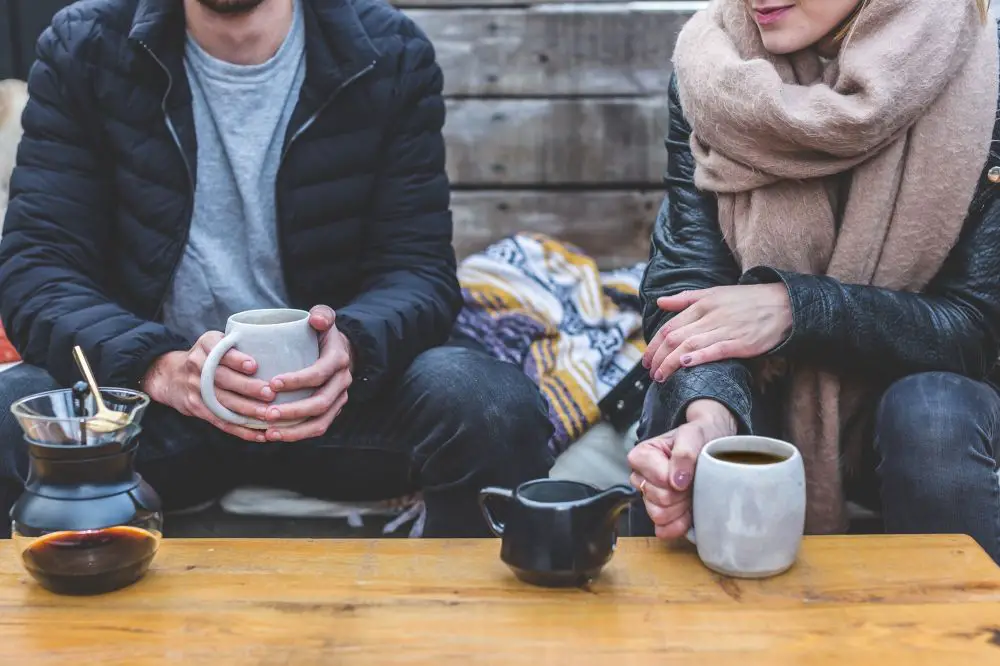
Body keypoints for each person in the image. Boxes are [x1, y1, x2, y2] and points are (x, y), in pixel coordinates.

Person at [0, 0, 554, 538]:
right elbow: (38, 269)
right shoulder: (86, 45)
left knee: (490, 404)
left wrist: (352, 349)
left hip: (335, 408)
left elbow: (419, 271)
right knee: (11, 405)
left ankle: (464, 627)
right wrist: (158, 368)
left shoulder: (388, 50)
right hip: (153, 412)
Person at [628, 0, 1000, 563]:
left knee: (934, 414)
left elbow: (975, 328)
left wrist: (795, 310)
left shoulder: (986, 68)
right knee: (676, 404)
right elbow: (687, 283)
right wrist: (709, 415)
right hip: (767, 398)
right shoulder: (714, 65)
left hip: (916, 413)